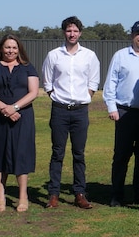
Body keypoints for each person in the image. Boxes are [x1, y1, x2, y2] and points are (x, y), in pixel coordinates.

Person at [41, 16, 100, 210]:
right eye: (68, 30)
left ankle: (80, 193)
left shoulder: (89, 56)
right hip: (59, 110)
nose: (72, 34)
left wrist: (85, 97)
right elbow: (48, 83)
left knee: (79, 153)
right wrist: (58, 98)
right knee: (57, 153)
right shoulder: (53, 56)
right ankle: (54, 194)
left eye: (75, 31)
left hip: (80, 111)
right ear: (64, 32)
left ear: (80, 32)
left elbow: (93, 83)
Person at [0, 34, 39, 212]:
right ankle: (1, 197)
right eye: (7, 47)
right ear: (1, 49)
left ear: (19, 49)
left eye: (14, 47)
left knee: (21, 154)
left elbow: (34, 92)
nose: (11, 51)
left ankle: (23, 196)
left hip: (23, 117)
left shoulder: (28, 68)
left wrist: (15, 107)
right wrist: (6, 109)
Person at [103, 21, 139, 207]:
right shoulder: (121, 56)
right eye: (138, 33)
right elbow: (110, 83)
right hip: (125, 112)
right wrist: (112, 108)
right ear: (131, 35)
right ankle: (117, 194)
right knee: (121, 156)